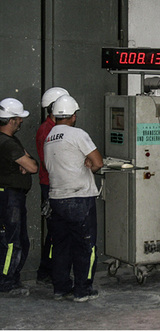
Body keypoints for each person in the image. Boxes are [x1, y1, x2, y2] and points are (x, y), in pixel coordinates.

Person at [44, 95, 103, 302]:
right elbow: (98, 162)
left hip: (56, 198)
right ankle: (83, 290)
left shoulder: (50, 136)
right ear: (74, 115)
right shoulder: (77, 134)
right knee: (86, 246)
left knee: (61, 246)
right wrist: (90, 164)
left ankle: (61, 288)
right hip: (79, 198)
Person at [0, 98, 39, 295]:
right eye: (18, 118)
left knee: (17, 240)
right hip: (10, 197)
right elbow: (32, 166)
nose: (21, 122)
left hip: (10, 196)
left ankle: (10, 279)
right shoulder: (8, 143)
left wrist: (25, 162)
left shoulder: (10, 141)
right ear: (11, 120)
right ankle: (7, 282)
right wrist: (25, 163)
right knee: (12, 241)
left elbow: (29, 162)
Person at [35, 87, 69, 285]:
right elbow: (50, 161)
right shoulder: (48, 130)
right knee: (57, 231)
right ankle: (49, 271)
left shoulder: (50, 129)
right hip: (53, 184)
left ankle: (47, 270)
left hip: (53, 182)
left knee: (56, 231)